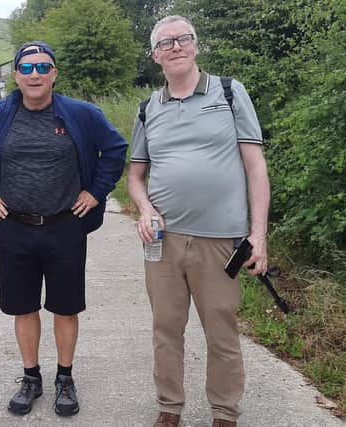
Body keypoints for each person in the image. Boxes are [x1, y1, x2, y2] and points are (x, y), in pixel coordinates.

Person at [127, 15, 271, 427]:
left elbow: (255, 168)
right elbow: (135, 176)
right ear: (155, 56)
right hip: (163, 240)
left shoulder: (229, 92)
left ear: (195, 45)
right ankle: (169, 408)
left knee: (221, 332)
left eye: (182, 39)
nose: (174, 47)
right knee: (166, 330)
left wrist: (257, 236)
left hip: (220, 240)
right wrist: (144, 208)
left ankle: (225, 413)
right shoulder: (147, 107)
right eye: (165, 43)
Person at [0, 41, 127, 417]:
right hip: (15, 228)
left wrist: (95, 190)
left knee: (65, 308)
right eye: (27, 68)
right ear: (16, 75)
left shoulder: (80, 114)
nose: (35, 74)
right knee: (23, 308)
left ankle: (65, 377)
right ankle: (31, 377)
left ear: (55, 73)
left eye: (43, 67)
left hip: (64, 228)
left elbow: (116, 148)